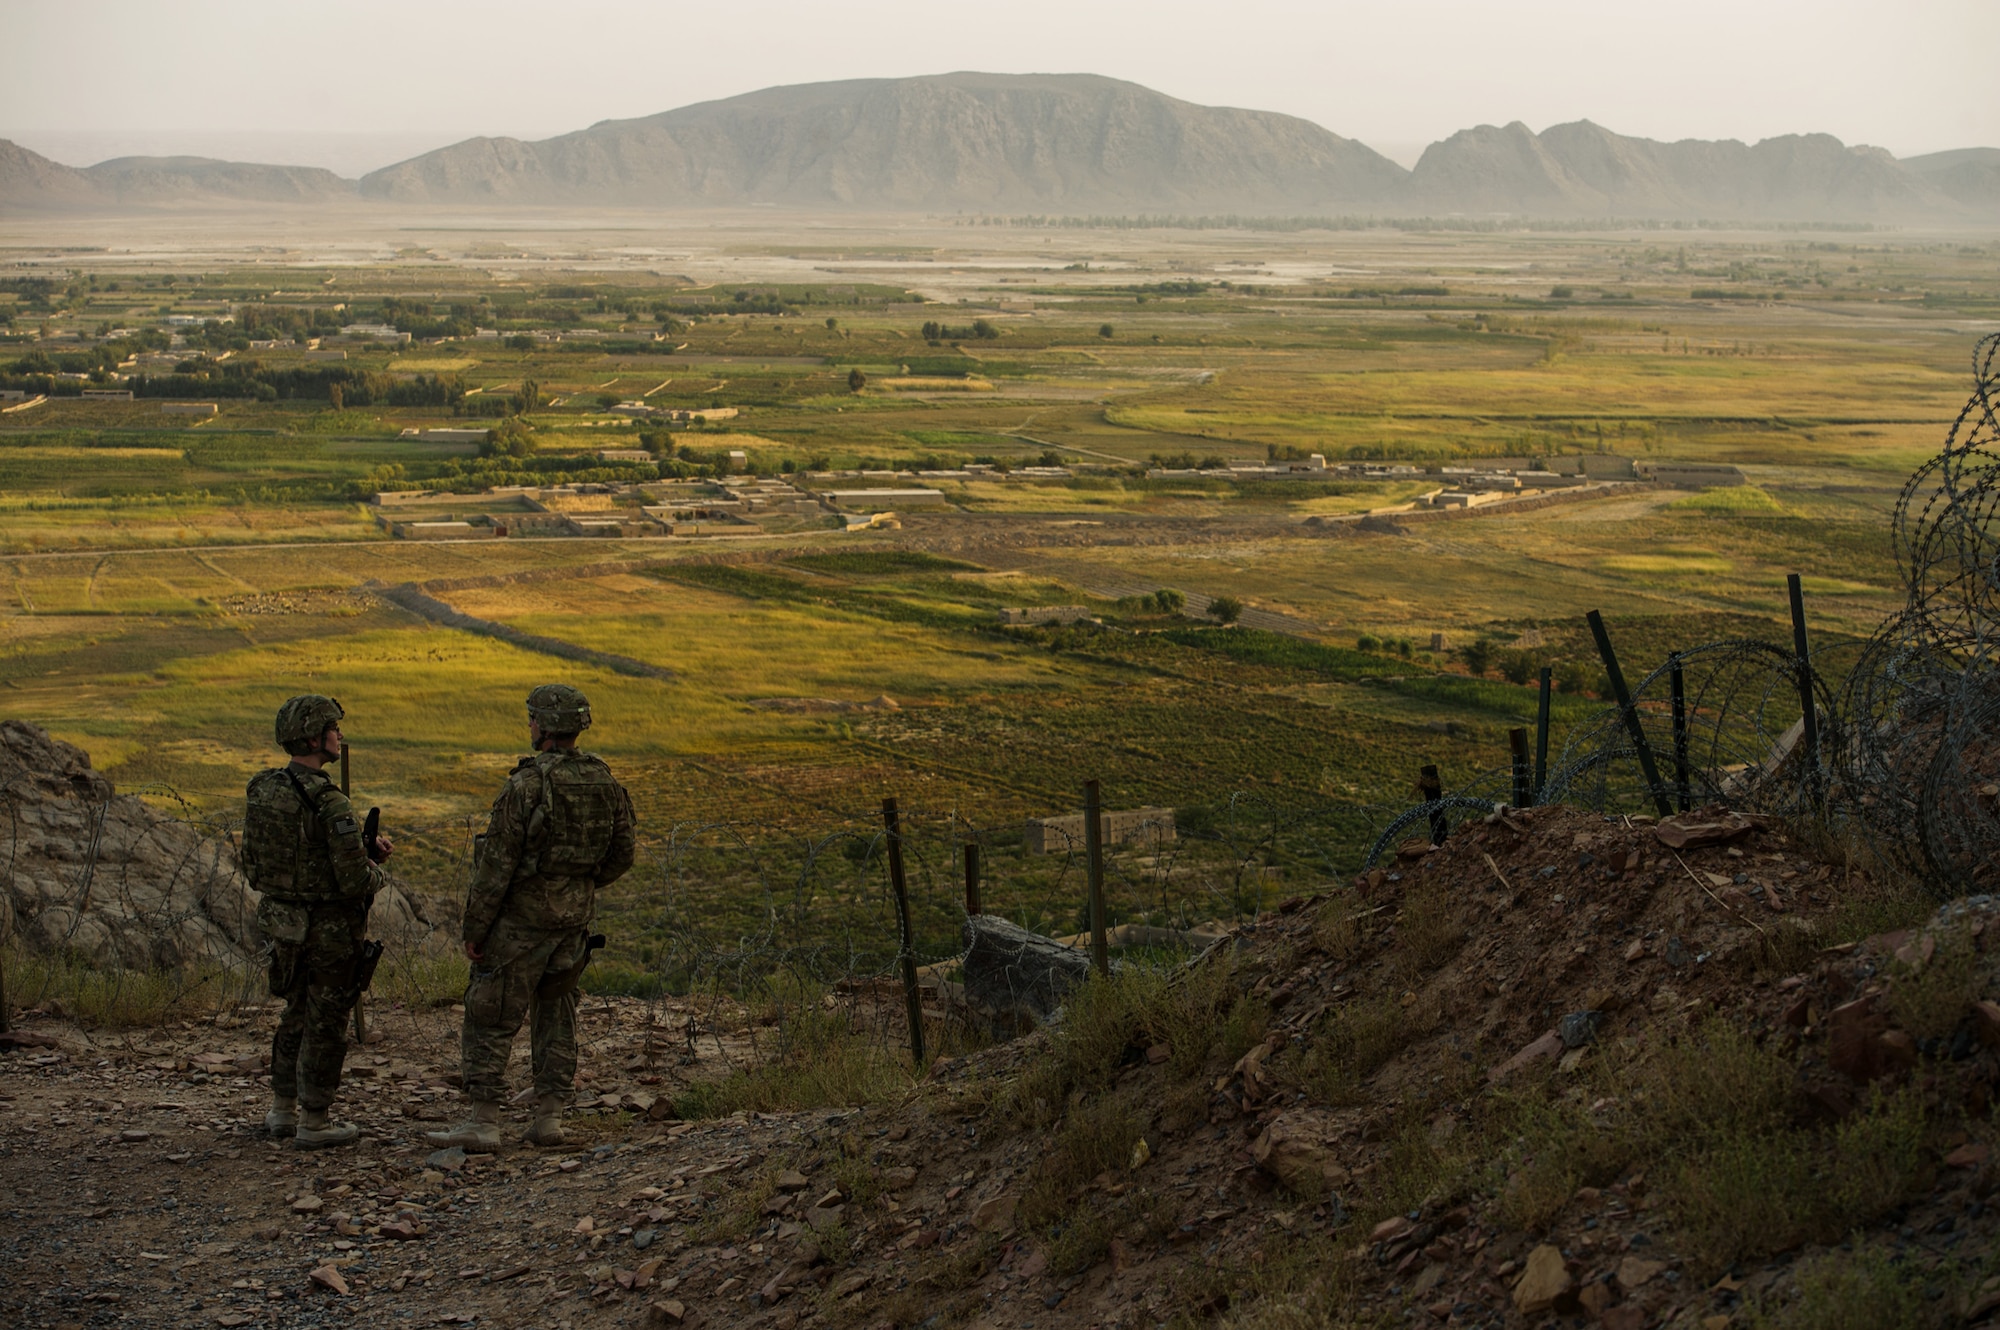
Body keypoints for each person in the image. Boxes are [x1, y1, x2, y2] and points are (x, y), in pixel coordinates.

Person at [429, 684, 635, 1151]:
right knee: (557, 1013)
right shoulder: (604, 781)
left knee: (491, 1013)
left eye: (531, 718)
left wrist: (475, 929)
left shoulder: (525, 786)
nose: (529, 726)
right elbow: (623, 853)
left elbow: (495, 867)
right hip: (572, 925)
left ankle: (483, 1120)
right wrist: (579, 885)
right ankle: (550, 1117)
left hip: (519, 925)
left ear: (543, 725)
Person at [242, 695, 393, 1149]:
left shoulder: (265, 790)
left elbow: (260, 861)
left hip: (283, 923)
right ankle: (315, 1120)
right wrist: (378, 867)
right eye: (333, 728)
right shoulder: (329, 802)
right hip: (328, 930)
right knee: (326, 1021)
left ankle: (281, 1111)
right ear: (314, 737)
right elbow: (354, 881)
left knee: (295, 1014)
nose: (339, 735)